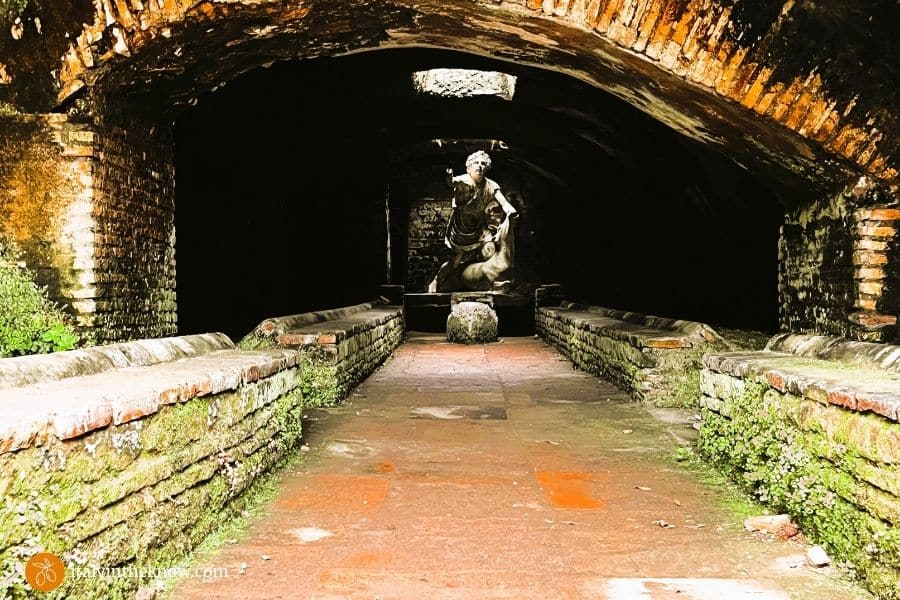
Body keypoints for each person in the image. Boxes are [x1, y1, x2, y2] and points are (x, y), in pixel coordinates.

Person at [428, 151, 518, 292]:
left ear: (487, 167)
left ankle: (485, 281)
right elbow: (451, 183)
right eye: (476, 163)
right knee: (455, 262)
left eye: (483, 163)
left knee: (490, 251)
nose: (480, 166)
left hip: (480, 227)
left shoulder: (491, 185)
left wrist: (510, 210)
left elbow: (503, 202)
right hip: (461, 229)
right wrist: (449, 176)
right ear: (469, 167)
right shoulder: (463, 180)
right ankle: (437, 280)